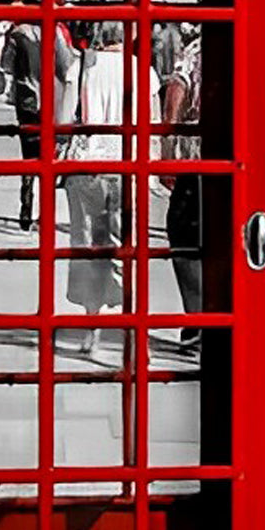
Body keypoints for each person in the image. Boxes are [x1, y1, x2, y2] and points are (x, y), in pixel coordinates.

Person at [63, 23, 161, 352]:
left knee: (91, 248)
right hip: (130, 169)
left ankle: (92, 334)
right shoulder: (143, 71)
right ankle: (138, 337)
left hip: (89, 170)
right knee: (129, 252)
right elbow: (154, 128)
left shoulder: (81, 66)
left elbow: (62, 121)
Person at [1, 0, 75, 230]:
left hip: (27, 101)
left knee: (28, 157)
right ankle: (46, 212)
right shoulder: (55, 32)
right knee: (48, 159)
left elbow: (6, 65)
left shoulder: (17, 33)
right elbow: (66, 68)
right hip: (51, 101)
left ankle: (25, 208)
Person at [161, 30, 202, 350]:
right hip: (249, 162)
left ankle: (198, 318)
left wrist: (167, 145)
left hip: (198, 160)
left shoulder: (197, 47)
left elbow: (176, 88)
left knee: (185, 237)